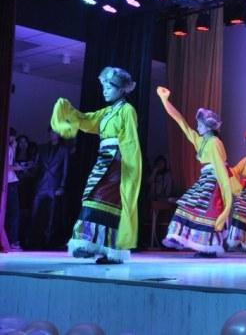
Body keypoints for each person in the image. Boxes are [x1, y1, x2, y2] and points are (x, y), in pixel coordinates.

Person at [51, 67, 142, 264]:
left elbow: (130, 141)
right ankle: (96, 246)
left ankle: (100, 247)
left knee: (100, 199)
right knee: (93, 198)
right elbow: (86, 120)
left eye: (110, 87)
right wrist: (67, 109)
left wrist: (127, 167)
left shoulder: (127, 110)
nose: (105, 90)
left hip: (117, 163)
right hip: (103, 161)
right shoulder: (107, 112)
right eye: (104, 87)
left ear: (121, 89)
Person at [157, 86, 232, 257]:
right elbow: (182, 123)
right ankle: (201, 246)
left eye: (200, 125)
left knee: (207, 212)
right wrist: (165, 101)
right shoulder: (201, 141)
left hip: (213, 181)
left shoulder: (214, 143)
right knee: (188, 206)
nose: (197, 127)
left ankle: (209, 248)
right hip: (205, 180)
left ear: (208, 127)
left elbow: (221, 169)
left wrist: (226, 200)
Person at [29, 128, 70, 249]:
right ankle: (31, 239)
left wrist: (62, 186)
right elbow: (36, 165)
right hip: (40, 184)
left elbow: (65, 169)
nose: (53, 134)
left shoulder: (64, 150)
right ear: (49, 133)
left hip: (54, 186)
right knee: (34, 212)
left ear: (59, 134)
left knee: (51, 216)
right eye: (51, 132)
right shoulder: (41, 147)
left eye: (55, 132)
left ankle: (48, 241)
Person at [4, 128, 20, 250]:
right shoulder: (8, 148)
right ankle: (13, 241)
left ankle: (11, 240)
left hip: (9, 182)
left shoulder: (9, 148)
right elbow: (9, 166)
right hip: (10, 182)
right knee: (14, 213)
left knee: (10, 212)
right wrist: (20, 168)